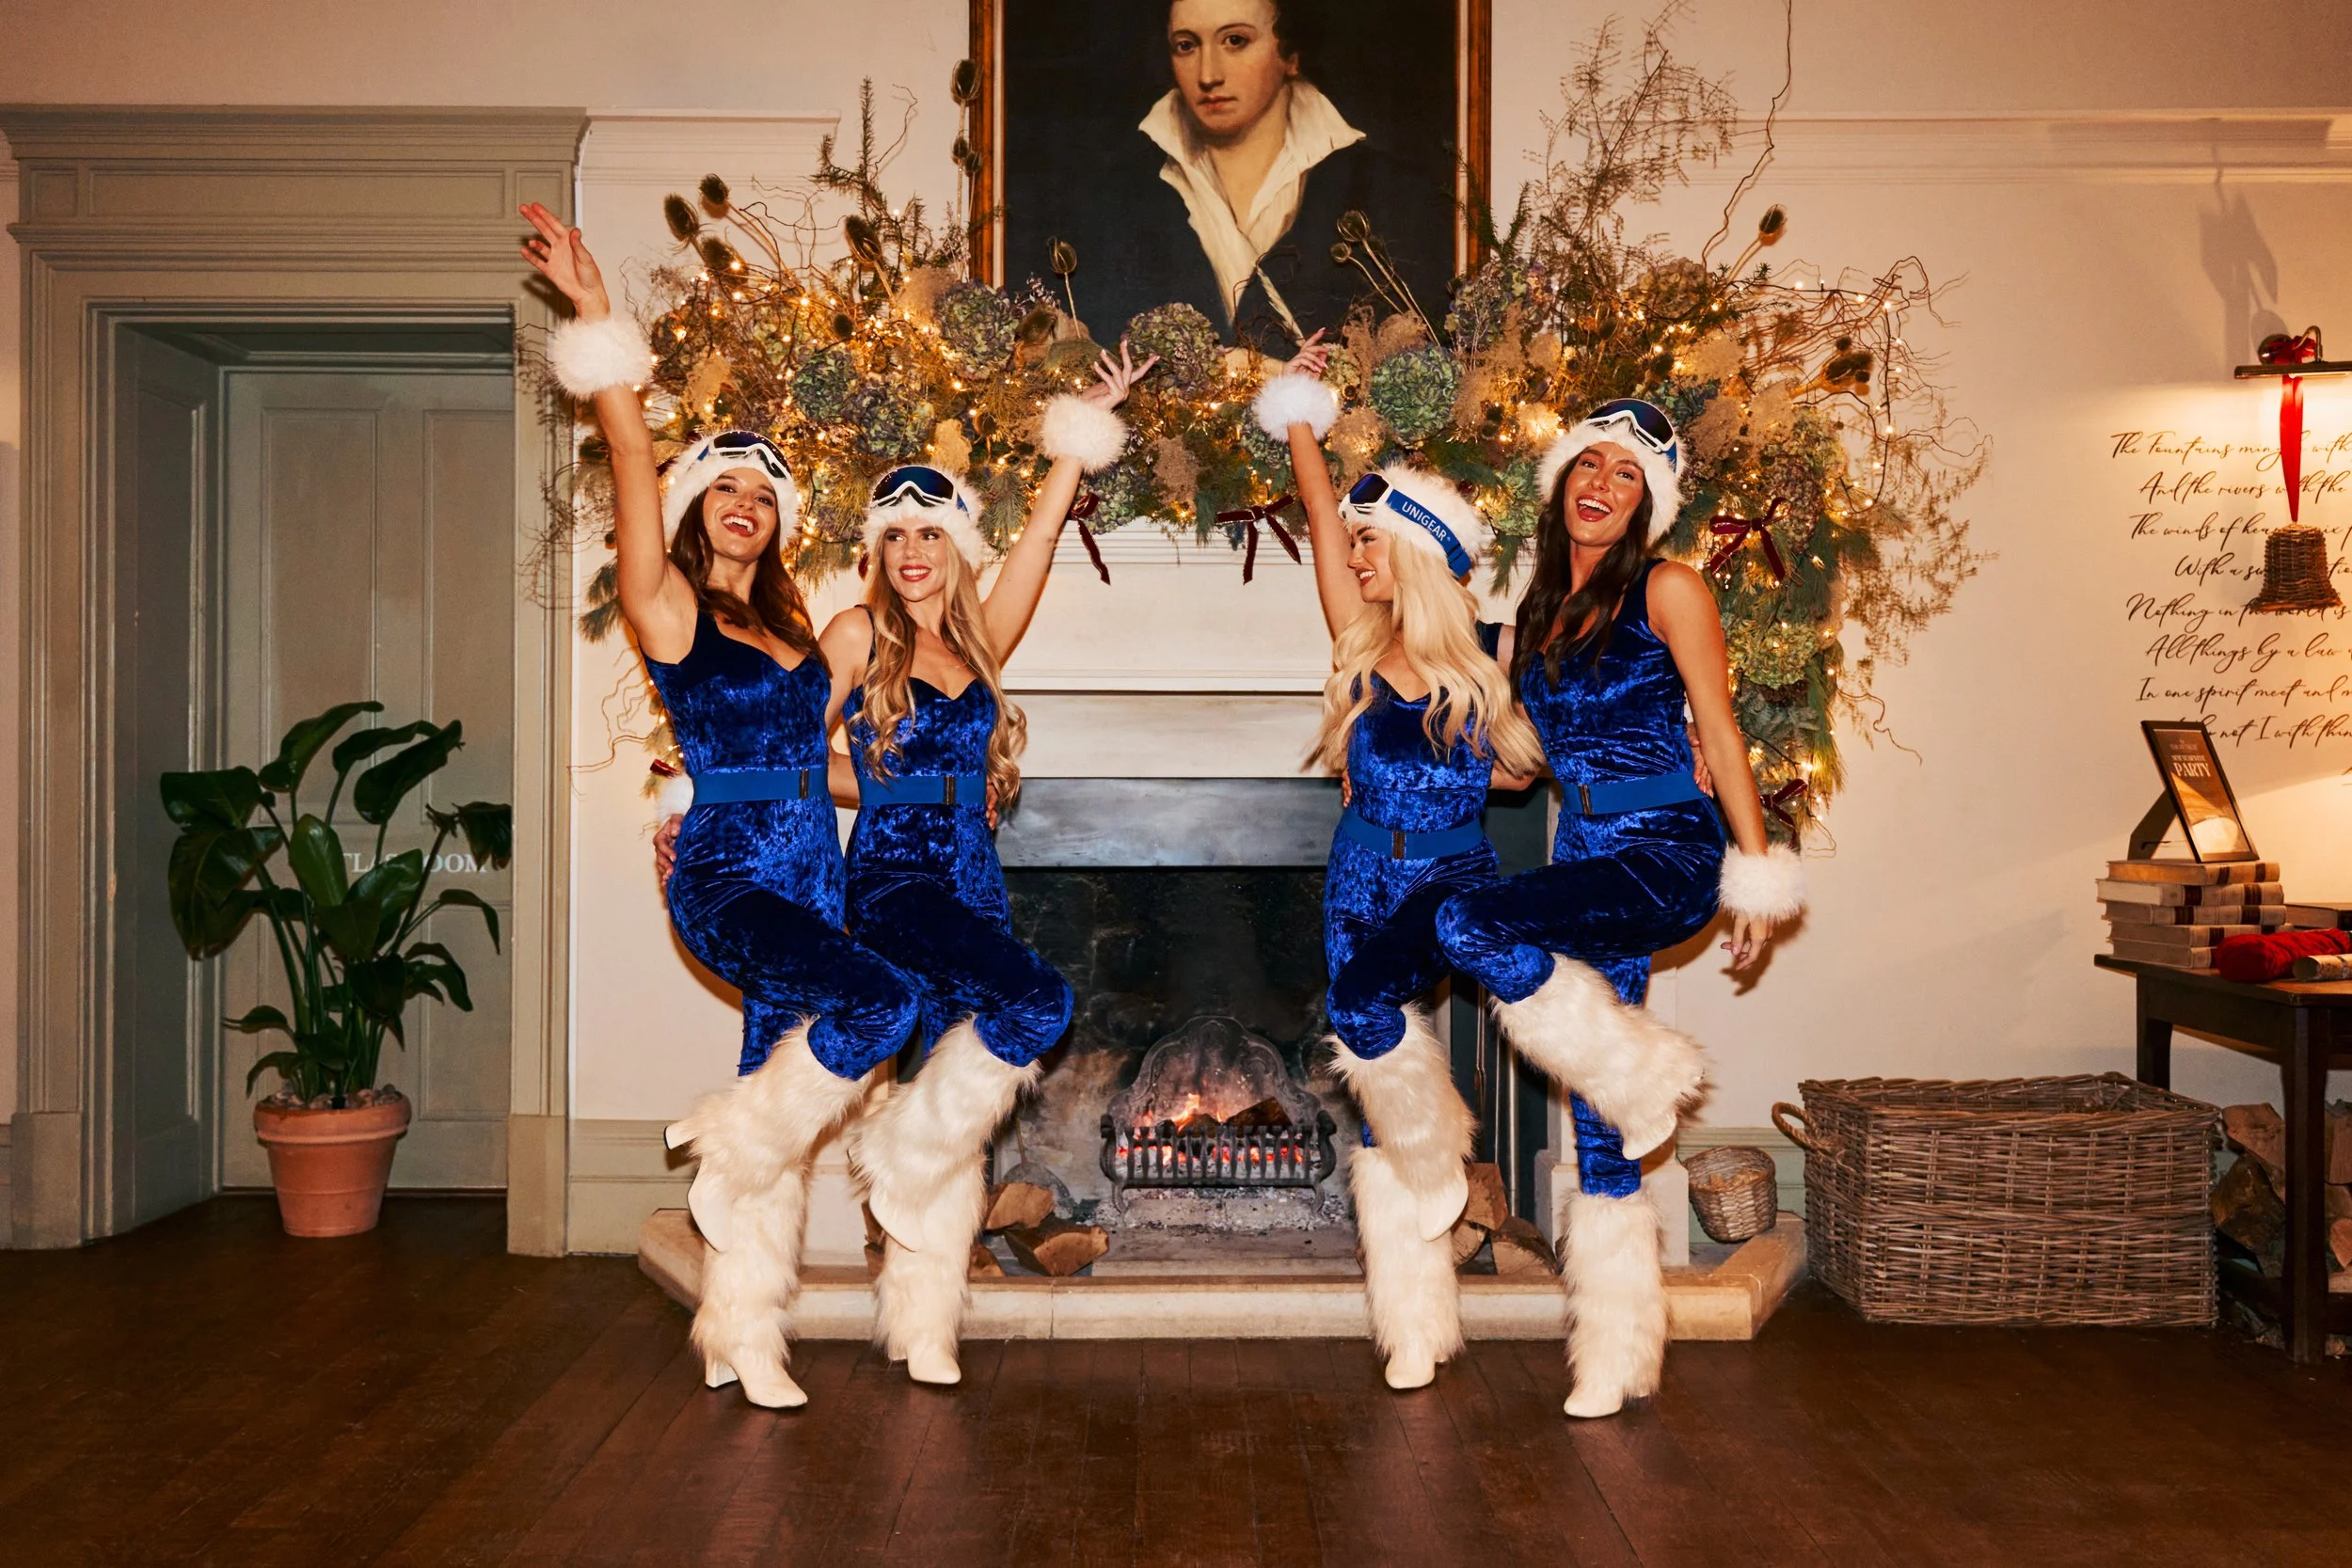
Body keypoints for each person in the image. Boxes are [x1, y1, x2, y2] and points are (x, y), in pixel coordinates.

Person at [522, 201, 920, 1411]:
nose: (745, 498)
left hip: (816, 868)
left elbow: (827, 762)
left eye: (765, 490)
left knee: (777, 1060)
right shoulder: (676, 616)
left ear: (782, 523)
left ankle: (742, 1332)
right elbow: (633, 467)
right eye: (725, 484)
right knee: (881, 1000)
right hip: (733, 879)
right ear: (699, 509)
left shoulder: (792, 633)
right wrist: (600, 327)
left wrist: (913, 772)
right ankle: (733, 1152)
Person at [1434, 398, 1806, 1418]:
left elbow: (1719, 733)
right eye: (1586, 465)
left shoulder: (1668, 586)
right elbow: (1519, 774)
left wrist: (1753, 869)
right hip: (1584, 844)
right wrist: (1398, 764)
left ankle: (1646, 1072)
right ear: (1559, 484)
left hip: (1665, 849)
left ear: (1648, 502)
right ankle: (1615, 1353)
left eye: (1626, 474)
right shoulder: (1543, 618)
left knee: (1469, 923)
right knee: (1599, 1127)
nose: (1599, 484)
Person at [1254, 345, 1547, 1390]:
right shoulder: (1359, 642)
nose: (1358, 557)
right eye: (1359, 544)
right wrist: (1300, 419)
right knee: (1371, 1046)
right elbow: (1323, 527)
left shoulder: (1495, 655)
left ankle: (1610, 1074)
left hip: (1452, 874)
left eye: (1377, 545)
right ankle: (1415, 1322)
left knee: (1515, 994)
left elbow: (1528, 773)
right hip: (1360, 877)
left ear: (1420, 554)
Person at [1018, 0, 1454, 347]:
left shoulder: (1389, 190)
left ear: (1291, 54)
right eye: (1187, 45)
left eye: (1235, 40)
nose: (1208, 74)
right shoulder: (1110, 197)